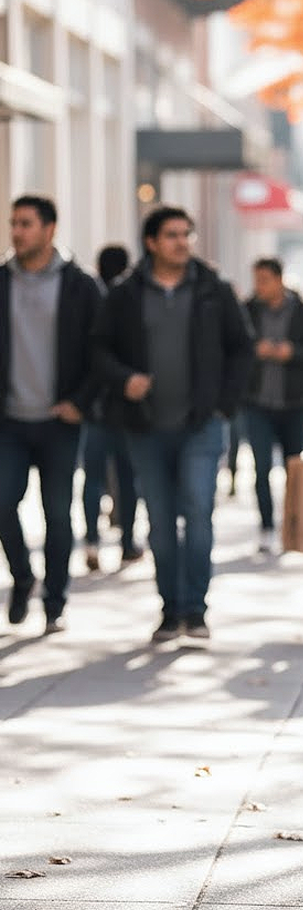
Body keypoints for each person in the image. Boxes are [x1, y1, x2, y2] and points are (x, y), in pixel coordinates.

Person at [92, 206, 253, 643]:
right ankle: (170, 609)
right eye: (172, 235)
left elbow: (242, 348)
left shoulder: (213, 289)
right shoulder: (126, 294)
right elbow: (99, 349)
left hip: (201, 425)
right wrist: (124, 379)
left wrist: (224, 404)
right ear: (151, 242)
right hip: (145, 428)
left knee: (198, 514)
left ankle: (196, 610)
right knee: (160, 524)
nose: (182, 242)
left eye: (187, 234)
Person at [0, 195, 101, 634]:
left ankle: (55, 601)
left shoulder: (81, 285)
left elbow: (102, 351)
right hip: (10, 420)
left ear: (50, 229)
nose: (16, 232)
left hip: (62, 420)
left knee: (58, 513)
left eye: (26, 224)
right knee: (2, 501)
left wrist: (81, 399)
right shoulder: (2, 281)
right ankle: (23, 576)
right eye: (13, 223)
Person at [244, 257, 303, 551]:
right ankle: (266, 527)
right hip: (257, 403)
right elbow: (234, 346)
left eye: (264, 279)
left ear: (279, 279)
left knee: (293, 469)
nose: (259, 286)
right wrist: (255, 350)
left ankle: (292, 525)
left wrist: (292, 352)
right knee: (261, 468)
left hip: (294, 403)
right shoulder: (247, 310)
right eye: (256, 279)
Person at [80, 244, 142, 572]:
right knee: (127, 478)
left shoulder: (88, 296)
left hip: (93, 407)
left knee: (93, 478)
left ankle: (91, 540)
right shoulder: (127, 300)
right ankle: (127, 542)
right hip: (122, 405)